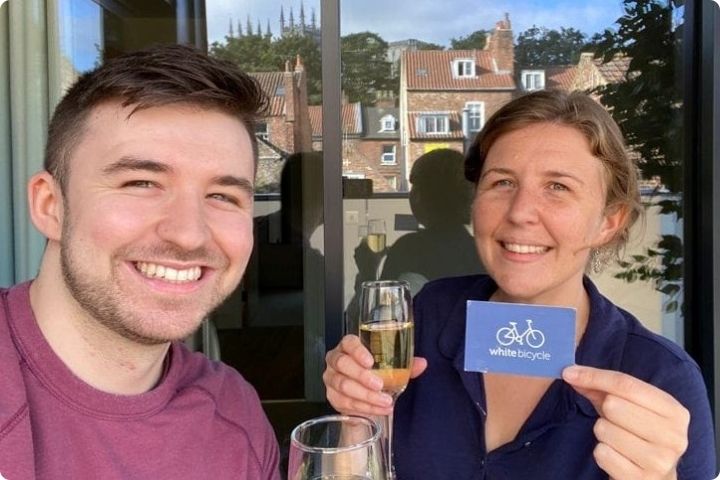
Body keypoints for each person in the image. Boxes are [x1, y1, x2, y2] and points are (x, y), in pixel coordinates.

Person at [324, 90, 717, 479]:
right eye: (503, 183)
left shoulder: (660, 378)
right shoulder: (425, 317)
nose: (520, 213)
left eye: (558, 187)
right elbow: (356, 467)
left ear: (608, 221)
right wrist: (357, 421)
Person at [0, 45, 280, 479]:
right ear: (51, 205)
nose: (188, 234)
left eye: (223, 196)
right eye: (142, 183)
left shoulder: (233, 413)